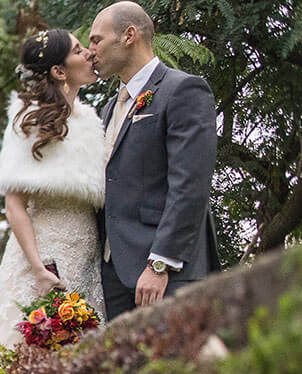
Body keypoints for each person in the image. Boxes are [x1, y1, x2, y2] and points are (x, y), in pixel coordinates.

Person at [0, 27, 106, 374]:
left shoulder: (93, 120)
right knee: (19, 357)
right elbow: (14, 203)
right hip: (41, 256)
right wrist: (38, 267)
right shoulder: (28, 118)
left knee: (81, 359)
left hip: (87, 252)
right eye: (77, 50)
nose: (89, 53)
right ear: (59, 70)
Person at [89, 2, 220, 317]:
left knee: (176, 365)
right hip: (114, 275)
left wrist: (160, 263)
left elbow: (190, 184)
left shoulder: (182, 90)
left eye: (97, 40)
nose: (90, 50)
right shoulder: (108, 108)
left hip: (167, 273)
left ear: (129, 35)